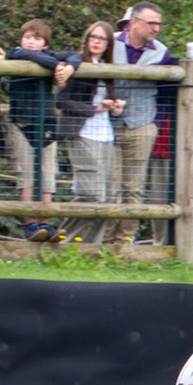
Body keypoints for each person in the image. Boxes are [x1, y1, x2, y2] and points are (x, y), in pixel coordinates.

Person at [2, 19, 78, 240]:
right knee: (26, 174)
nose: (31, 42)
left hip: (46, 123)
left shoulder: (50, 56)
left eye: (37, 38)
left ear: (45, 43)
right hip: (21, 123)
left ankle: (45, 223)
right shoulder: (16, 54)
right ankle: (31, 224)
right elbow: (35, 56)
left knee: (47, 174)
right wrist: (56, 65)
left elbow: (75, 55)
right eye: (27, 37)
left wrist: (68, 68)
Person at [56, 21, 125, 245]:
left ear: (109, 44)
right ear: (86, 40)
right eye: (93, 37)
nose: (96, 42)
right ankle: (63, 240)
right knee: (91, 194)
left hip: (106, 135)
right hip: (82, 133)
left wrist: (116, 107)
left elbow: (108, 103)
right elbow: (61, 101)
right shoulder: (76, 64)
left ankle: (90, 248)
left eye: (102, 38)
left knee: (106, 197)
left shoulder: (108, 67)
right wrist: (94, 109)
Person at [108, 1, 170, 242]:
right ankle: (105, 241)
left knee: (134, 187)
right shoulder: (109, 41)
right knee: (111, 185)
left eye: (159, 24)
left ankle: (125, 240)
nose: (156, 29)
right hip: (108, 125)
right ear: (133, 22)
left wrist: (155, 123)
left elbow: (166, 93)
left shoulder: (162, 52)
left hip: (143, 124)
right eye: (151, 23)